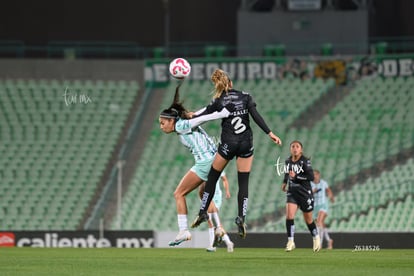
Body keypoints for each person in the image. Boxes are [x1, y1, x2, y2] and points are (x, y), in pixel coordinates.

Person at [190, 69, 282, 239]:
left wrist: (190, 116)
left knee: (212, 177)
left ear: (219, 85)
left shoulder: (218, 100)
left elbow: (202, 114)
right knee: (243, 182)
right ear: (231, 83)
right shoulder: (245, 96)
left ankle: (203, 212)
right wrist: (270, 133)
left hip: (228, 143)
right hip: (246, 143)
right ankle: (241, 217)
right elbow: (256, 116)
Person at [159, 84, 233, 247]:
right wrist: (200, 113)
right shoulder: (182, 123)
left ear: (171, 121)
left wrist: (222, 113)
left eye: (163, 123)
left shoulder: (180, 126)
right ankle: (219, 228)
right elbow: (198, 115)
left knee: (179, 193)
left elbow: (202, 119)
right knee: (203, 193)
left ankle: (184, 230)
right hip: (214, 159)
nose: (161, 126)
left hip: (206, 162)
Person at [281, 140, 321, 252]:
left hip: (304, 193)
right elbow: (287, 173)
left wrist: (297, 176)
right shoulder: (288, 161)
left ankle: (316, 237)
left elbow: (311, 177)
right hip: (292, 192)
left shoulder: (305, 161)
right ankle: (290, 241)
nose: (295, 148)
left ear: (301, 149)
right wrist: (285, 182)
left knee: (308, 220)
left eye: (297, 146)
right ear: (290, 149)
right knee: (289, 216)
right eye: (293, 146)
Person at [201, 171, 234, 252]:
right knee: (216, 224)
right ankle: (228, 242)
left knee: (211, 222)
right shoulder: (205, 167)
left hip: (215, 197)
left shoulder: (218, 167)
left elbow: (224, 179)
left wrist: (227, 191)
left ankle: (212, 246)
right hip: (207, 196)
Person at [311, 169, 335, 249]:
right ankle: (329, 240)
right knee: (321, 224)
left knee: (319, 222)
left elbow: (328, 190)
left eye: (316, 174)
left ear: (318, 175)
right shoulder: (310, 184)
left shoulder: (323, 183)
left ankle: (319, 243)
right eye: (313, 174)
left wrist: (331, 196)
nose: (314, 176)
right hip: (315, 207)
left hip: (323, 205)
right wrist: (312, 192)